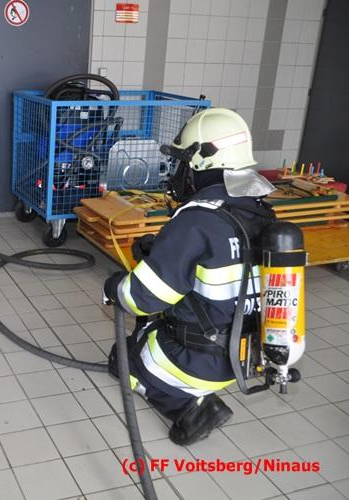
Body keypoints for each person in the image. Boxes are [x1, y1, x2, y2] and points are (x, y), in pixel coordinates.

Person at [103, 108, 277, 446]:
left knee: (122, 359)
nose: (178, 170)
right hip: (244, 355)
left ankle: (189, 408)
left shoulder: (196, 220)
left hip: (200, 360)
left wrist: (113, 286)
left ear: (201, 161)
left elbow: (140, 300)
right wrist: (161, 253)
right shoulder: (258, 211)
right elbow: (219, 260)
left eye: (183, 161)